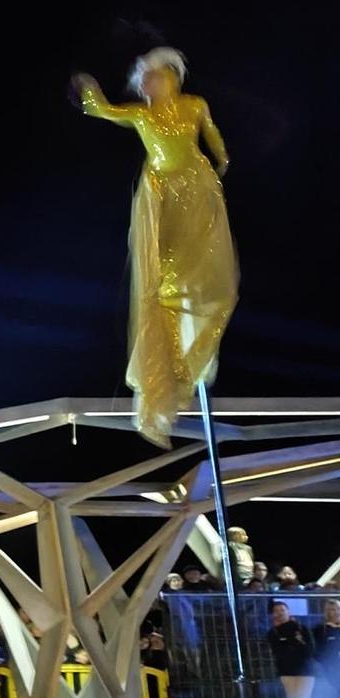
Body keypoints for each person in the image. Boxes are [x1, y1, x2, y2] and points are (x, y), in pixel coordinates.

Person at [73, 49, 236, 448]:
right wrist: (89, 90)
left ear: (171, 78)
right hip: (162, 196)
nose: (146, 85)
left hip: (196, 190)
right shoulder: (142, 115)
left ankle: (189, 355)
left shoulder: (194, 105)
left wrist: (221, 159)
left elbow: (211, 131)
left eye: (153, 77)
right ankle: (167, 373)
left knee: (205, 276)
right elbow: (104, 110)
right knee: (164, 283)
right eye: (143, 80)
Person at [267, 600, 313, 698]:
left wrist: (292, 644)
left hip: (305, 669)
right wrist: (294, 643)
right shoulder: (273, 632)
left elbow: (309, 648)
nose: (280, 613)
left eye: (282, 610)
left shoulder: (301, 628)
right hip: (286, 670)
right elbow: (279, 652)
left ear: (288, 611)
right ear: (272, 615)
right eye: (276, 611)